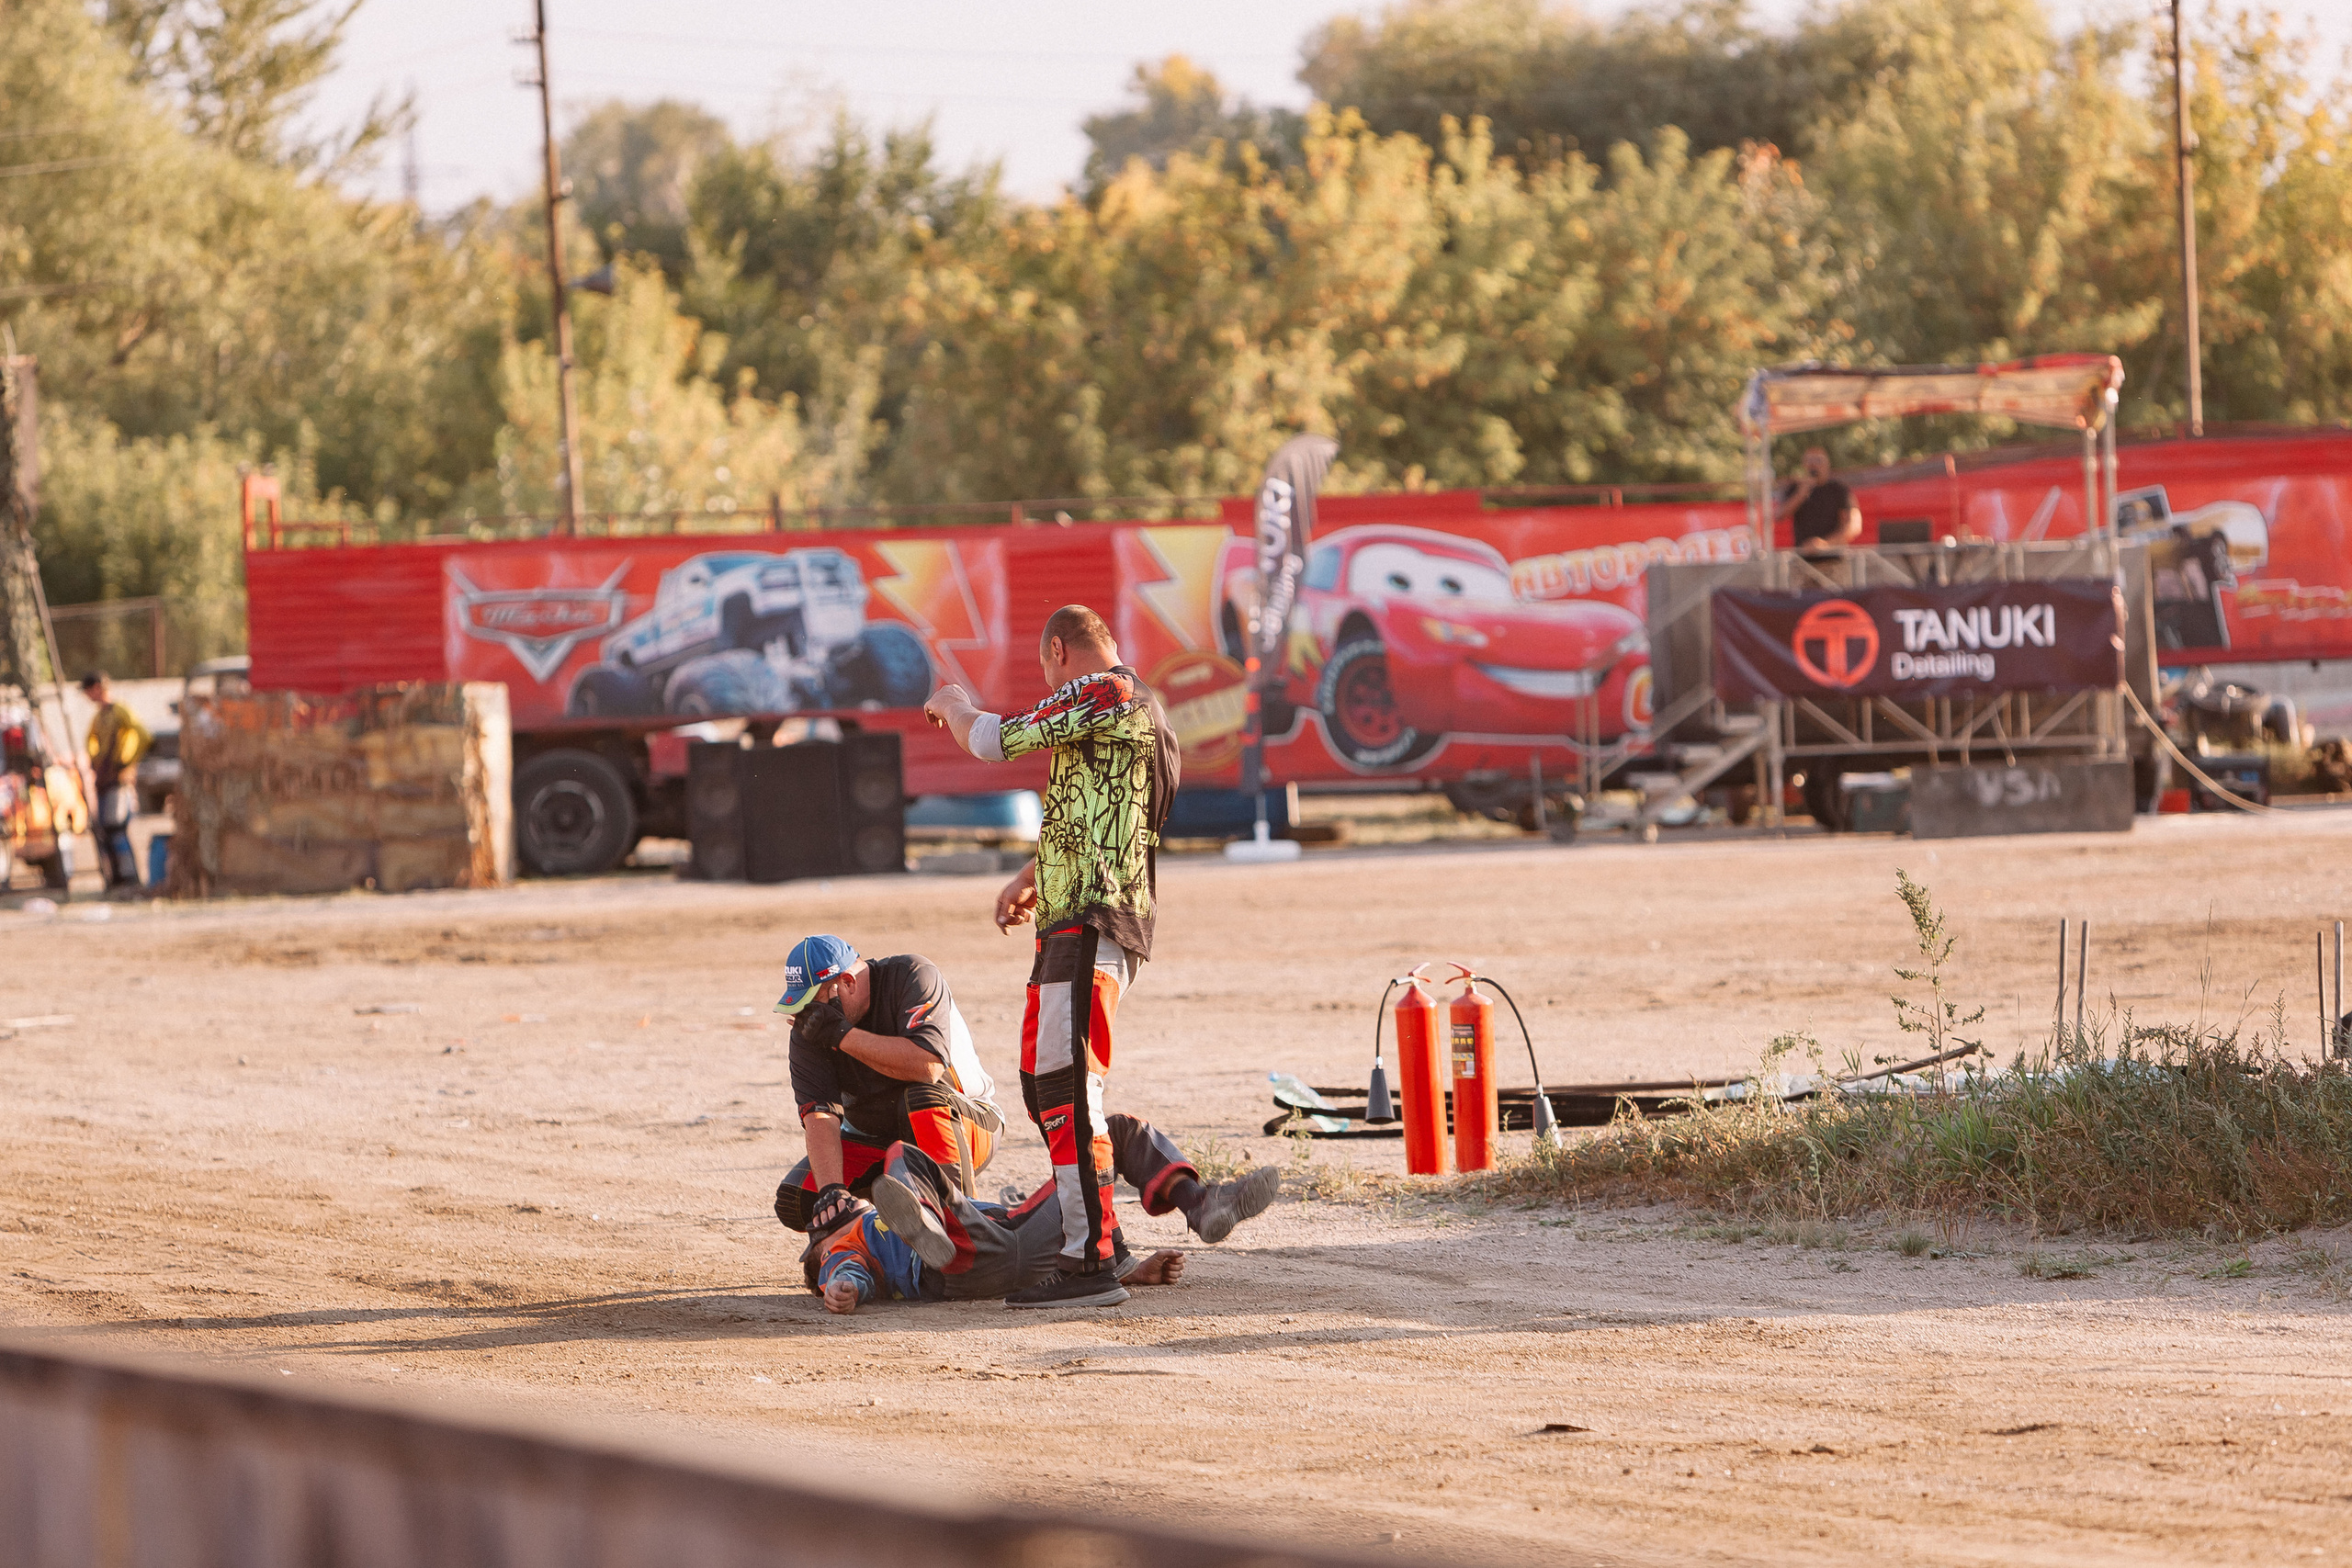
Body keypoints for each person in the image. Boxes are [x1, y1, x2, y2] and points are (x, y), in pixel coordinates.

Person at [922, 604, 1179, 1308]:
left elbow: (995, 740)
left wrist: (953, 702)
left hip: (1089, 925)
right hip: (1081, 920)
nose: (1050, 686)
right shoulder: (1133, 708)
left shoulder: (1105, 689)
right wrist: (1033, 875)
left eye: (1046, 671)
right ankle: (1100, 1245)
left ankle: (1089, 1260)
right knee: (1045, 1087)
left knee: (1066, 1091)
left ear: (1059, 650)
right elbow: (1099, 817)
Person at [808, 1114, 1280, 1314]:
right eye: (819, 1226)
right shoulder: (843, 1245)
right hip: (958, 1262)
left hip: (1018, 1255)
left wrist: (1130, 1268)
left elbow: (1080, 1204)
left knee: (1095, 1161)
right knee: (901, 1154)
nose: (831, 1209)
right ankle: (929, 1230)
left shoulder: (863, 1223)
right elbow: (843, 1271)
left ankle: (1143, 1240)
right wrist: (843, 1288)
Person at [770, 935, 1005, 1248]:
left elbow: (928, 1066)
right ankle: (885, 1237)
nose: (809, 1013)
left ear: (847, 982)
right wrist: (833, 1193)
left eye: (815, 1001)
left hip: (964, 1125)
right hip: (877, 1139)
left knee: (921, 1098)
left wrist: (842, 1035)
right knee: (799, 1200)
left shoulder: (912, 974)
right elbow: (820, 1114)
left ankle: (963, 1230)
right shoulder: (815, 1024)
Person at [77, 672, 150, 891]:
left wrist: (126, 762)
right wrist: (95, 760)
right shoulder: (99, 717)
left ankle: (130, 878)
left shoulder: (119, 711)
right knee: (106, 830)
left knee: (117, 828)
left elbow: (143, 735)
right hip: (104, 781)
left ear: (97, 688)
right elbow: (91, 742)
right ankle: (116, 878)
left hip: (118, 781)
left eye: (88, 690)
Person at [1775, 446, 1863, 551]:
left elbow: (1854, 525)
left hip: (1833, 555)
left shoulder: (1838, 489)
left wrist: (1826, 544)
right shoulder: (1796, 488)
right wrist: (1801, 494)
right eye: (1810, 461)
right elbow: (1779, 515)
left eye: (1818, 460)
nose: (1814, 465)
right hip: (1803, 555)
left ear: (1827, 464)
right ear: (1804, 464)